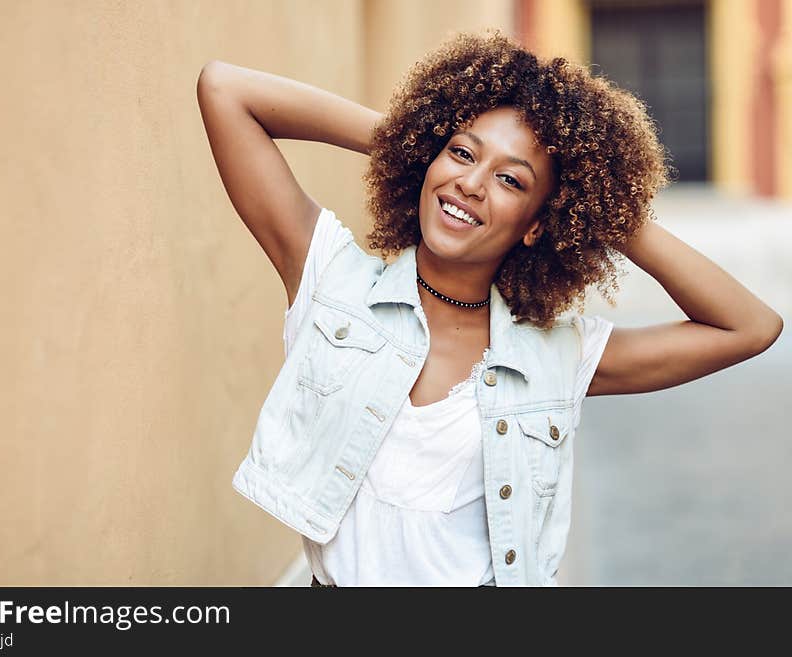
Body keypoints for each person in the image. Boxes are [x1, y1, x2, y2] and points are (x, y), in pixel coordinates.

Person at [196, 30, 784, 587]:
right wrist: (413, 143)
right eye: (459, 153)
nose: (471, 184)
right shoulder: (332, 280)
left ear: (537, 224)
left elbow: (750, 327)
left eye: (510, 180)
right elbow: (225, 90)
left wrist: (601, 209)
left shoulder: (556, 355)